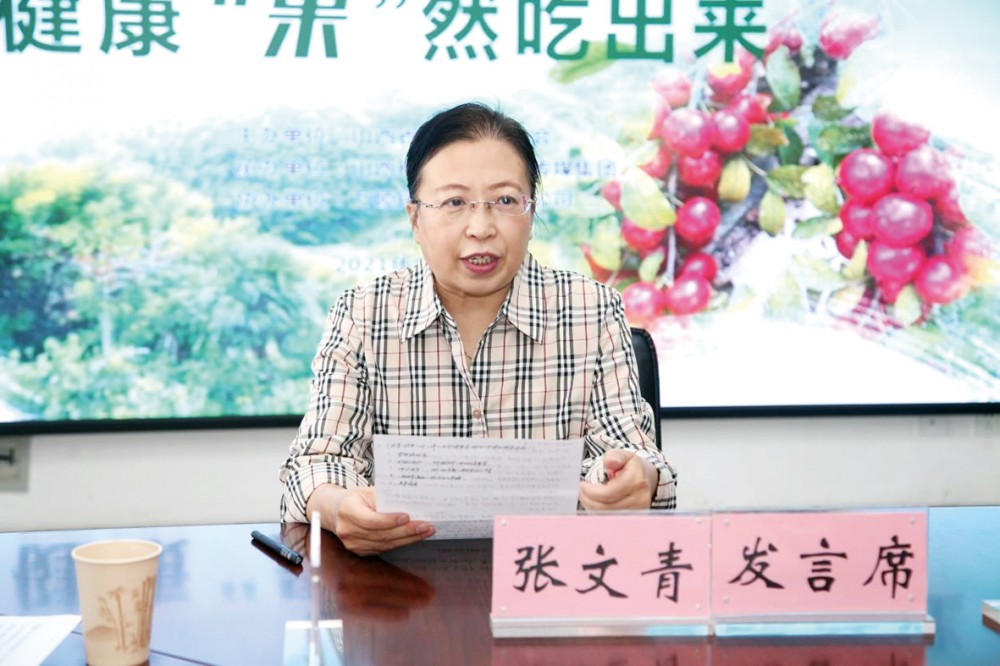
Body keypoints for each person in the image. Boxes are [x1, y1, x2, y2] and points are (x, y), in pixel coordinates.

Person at [280, 102, 677, 556]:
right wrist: (339, 507)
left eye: (505, 201)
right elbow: (315, 463)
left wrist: (636, 479)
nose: (481, 228)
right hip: (399, 580)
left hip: (554, 575)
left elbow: (636, 456)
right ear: (415, 219)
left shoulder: (593, 310)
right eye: (454, 203)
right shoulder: (363, 314)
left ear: (531, 211)